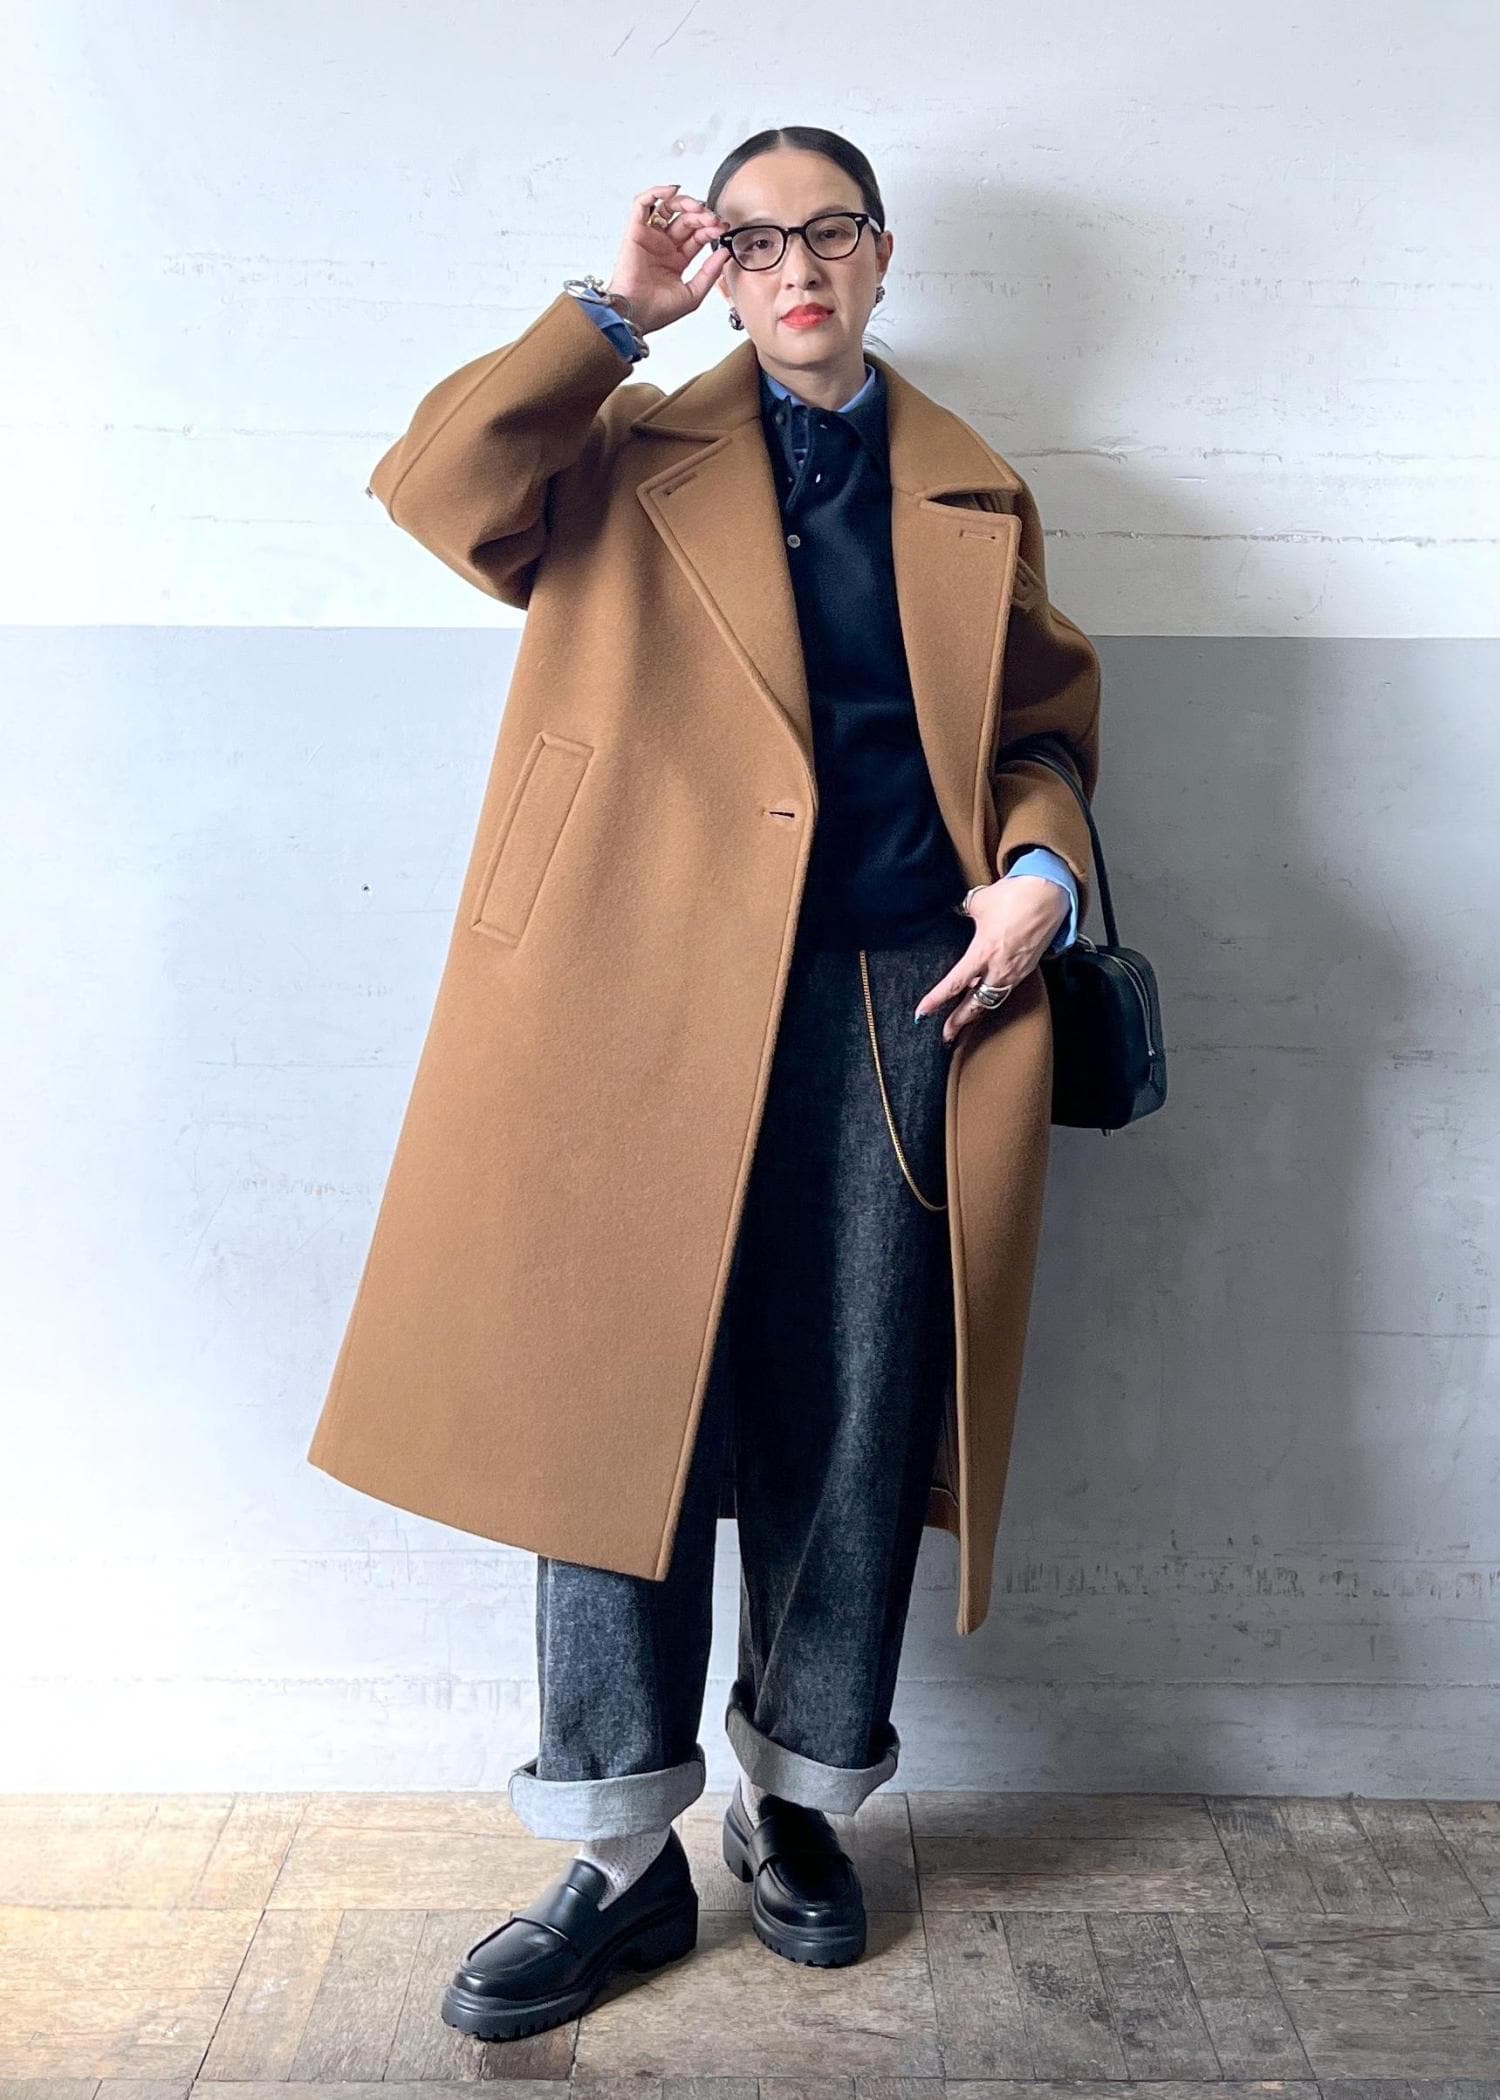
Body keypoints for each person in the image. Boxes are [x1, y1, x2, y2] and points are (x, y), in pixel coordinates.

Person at [314, 124, 1101, 2044]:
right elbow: (434, 489)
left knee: (856, 1400)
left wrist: (1041, 874)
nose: (795, 269)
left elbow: (1042, 732)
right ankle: (614, 1855)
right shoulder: (615, 448)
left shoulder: (974, 489)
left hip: (901, 999)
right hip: (636, 995)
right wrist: (613, 313)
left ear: (884, 254)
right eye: (752, 243)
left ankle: (801, 1803)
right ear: (717, 271)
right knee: (614, 1415)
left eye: (828, 234)